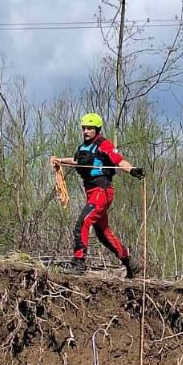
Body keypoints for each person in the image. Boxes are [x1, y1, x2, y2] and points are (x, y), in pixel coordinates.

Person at [50, 112, 144, 278]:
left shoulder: (104, 145)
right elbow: (77, 161)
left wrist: (132, 170)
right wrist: (60, 161)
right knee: (103, 233)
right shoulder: (83, 147)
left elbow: (119, 161)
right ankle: (130, 262)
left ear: (97, 129)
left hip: (102, 191)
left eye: (89, 128)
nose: (86, 131)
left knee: (83, 223)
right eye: (84, 128)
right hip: (91, 192)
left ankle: (79, 263)